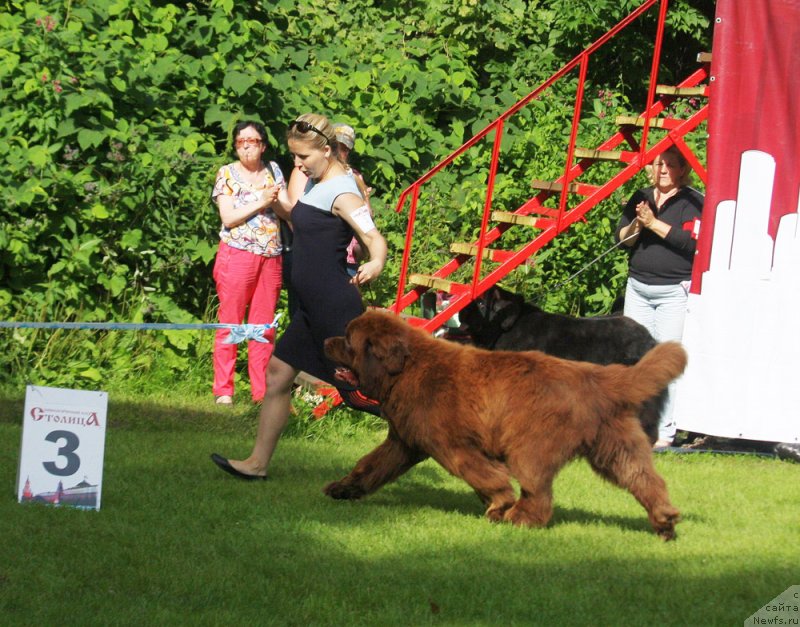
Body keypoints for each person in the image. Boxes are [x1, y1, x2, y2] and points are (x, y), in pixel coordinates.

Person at [211, 113, 387, 479]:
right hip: (309, 310)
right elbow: (302, 220)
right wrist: (275, 203)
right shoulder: (315, 183)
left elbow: (374, 238)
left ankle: (439, 429)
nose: (298, 164)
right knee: (278, 374)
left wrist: (376, 262)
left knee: (363, 393)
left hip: (334, 309)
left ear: (327, 150)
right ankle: (257, 465)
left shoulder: (343, 192)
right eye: (293, 156)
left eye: (303, 157)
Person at [615, 145, 703, 449]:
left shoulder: (693, 200)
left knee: (665, 359)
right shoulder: (641, 196)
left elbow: (692, 243)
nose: (662, 170)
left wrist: (654, 223)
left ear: (682, 170)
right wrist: (639, 223)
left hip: (672, 292)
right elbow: (622, 240)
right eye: (657, 164)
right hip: (638, 288)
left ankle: (664, 432)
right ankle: (636, 426)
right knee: (635, 358)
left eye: (669, 165)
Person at [211, 120, 290, 405]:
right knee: (230, 321)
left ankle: (261, 391)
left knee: (264, 326)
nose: (246, 147)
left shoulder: (274, 170)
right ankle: (224, 389)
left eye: (252, 141)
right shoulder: (227, 173)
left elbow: (286, 211)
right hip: (237, 254)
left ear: (263, 145)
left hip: (270, 256)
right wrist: (261, 200)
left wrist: (275, 201)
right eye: (240, 142)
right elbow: (228, 217)